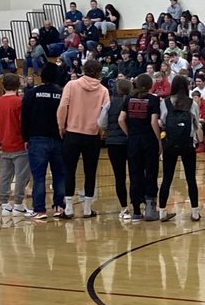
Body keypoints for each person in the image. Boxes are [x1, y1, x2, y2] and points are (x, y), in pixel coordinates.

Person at [57, 58, 109, 219]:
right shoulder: (103, 90)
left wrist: (61, 126)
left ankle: (69, 208)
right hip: (92, 135)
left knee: (69, 170)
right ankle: (87, 208)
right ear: (99, 72)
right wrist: (101, 131)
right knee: (90, 171)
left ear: (84, 69)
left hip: (72, 132)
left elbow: (63, 106)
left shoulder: (71, 85)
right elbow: (104, 115)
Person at [23, 62, 66, 221]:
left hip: (37, 139)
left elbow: (25, 118)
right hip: (59, 139)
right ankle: (59, 206)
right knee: (59, 175)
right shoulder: (61, 94)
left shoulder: (32, 94)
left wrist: (25, 137)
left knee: (39, 176)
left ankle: (39, 209)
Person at [158, 75, 203, 222]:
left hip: (170, 144)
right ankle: (195, 212)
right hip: (188, 144)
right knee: (191, 179)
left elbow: (163, 122)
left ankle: (162, 211)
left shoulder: (165, 103)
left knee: (167, 178)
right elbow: (196, 125)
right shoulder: (192, 104)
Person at [120, 72, 162, 222]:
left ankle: (136, 211)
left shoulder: (128, 99)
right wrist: (158, 140)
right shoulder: (153, 100)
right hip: (148, 139)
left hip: (133, 140)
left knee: (134, 173)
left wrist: (129, 134)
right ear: (150, 85)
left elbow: (121, 119)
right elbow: (153, 122)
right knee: (151, 172)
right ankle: (150, 208)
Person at [0, 73, 31, 215]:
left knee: (5, 175)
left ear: (3, 85)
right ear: (18, 86)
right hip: (19, 143)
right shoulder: (19, 102)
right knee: (22, 176)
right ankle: (19, 204)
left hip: (4, 143)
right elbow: (23, 123)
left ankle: (4, 204)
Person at [98, 78, 132, 219]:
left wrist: (111, 129)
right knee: (135, 175)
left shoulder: (109, 103)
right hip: (131, 142)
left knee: (120, 177)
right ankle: (137, 206)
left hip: (114, 143)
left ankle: (124, 208)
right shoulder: (132, 101)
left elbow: (101, 123)